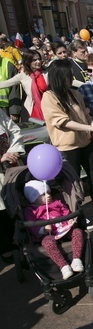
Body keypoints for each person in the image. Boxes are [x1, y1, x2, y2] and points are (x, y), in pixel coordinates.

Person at [41, 59, 93, 224]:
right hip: (67, 147)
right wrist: (90, 129)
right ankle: (77, 216)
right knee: (73, 184)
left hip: (86, 143)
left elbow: (86, 115)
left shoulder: (75, 94)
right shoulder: (49, 97)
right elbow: (62, 121)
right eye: (68, 75)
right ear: (59, 76)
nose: (71, 77)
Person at [24, 180, 85, 280]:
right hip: (46, 235)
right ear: (34, 198)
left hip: (63, 229)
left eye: (49, 192)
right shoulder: (31, 210)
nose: (48, 195)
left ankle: (76, 259)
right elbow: (32, 227)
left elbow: (66, 212)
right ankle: (63, 266)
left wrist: (69, 220)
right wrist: (42, 229)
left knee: (78, 232)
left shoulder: (56, 203)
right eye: (43, 194)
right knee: (48, 242)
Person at [0, 109, 25, 263]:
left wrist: (13, 151)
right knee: (2, 215)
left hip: (11, 168)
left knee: (21, 206)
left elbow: (14, 130)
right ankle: (7, 250)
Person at [0, 49, 47, 121]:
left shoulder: (47, 73)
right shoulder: (23, 75)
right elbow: (6, 83)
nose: (38, 62)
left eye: (39, 59)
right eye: (34, 60)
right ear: (28, 62)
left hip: (47, 107)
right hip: (31, 109)